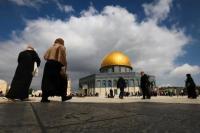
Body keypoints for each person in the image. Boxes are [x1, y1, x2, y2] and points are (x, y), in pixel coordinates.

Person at [41, 38, 72, 102]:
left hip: (48, 64)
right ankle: (64, 97)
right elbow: (63, 58)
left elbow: (45, 57)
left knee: (47, 80)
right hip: (57, 64)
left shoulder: (51, 47)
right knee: (63, 79)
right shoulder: (62, 47)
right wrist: (64, 67)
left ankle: (44, 98)